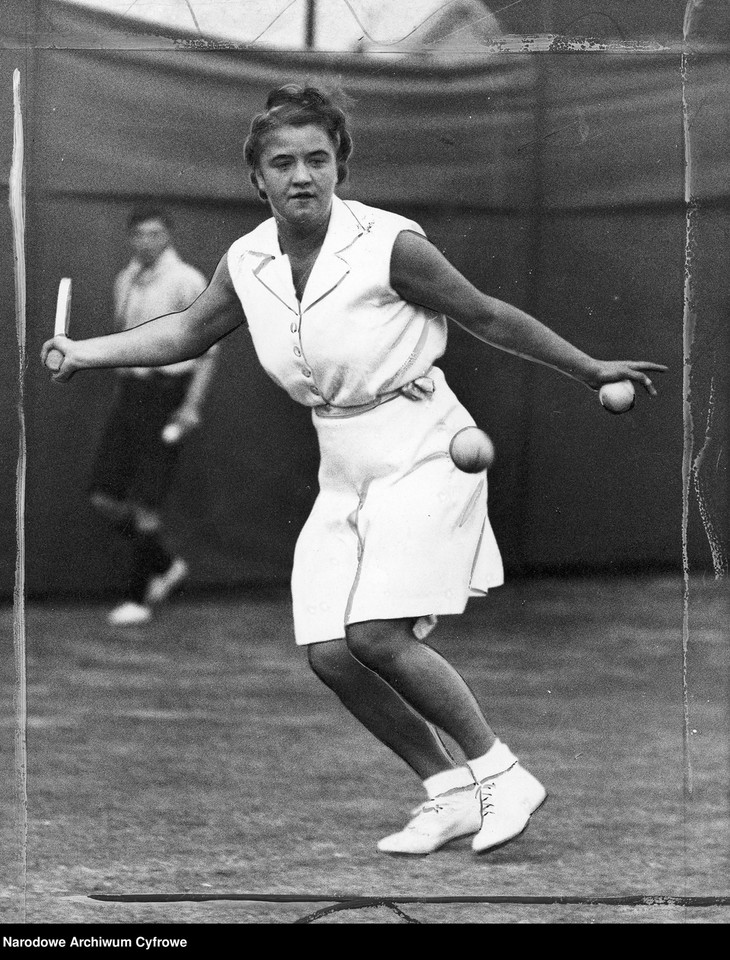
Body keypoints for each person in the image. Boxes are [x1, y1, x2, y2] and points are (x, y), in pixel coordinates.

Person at [42, 85, 667, 855]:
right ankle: (447, 792)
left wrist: (586, 366)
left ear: (339, 165)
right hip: (343, 459)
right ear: (257, 181)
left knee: (375, 633)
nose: (302, 175)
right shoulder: (248, 259)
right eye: (283, 163)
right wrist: (86, 352)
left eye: (318, 158)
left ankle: (501, 773)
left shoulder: (391, 245)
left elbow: (486, 315)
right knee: (332, 652)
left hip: (427, 444)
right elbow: (186, 332)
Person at [89, 203, 218, 627]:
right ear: (130, 238)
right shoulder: (125, 279)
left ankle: (138, 598)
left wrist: (190, 406)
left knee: (148, 499)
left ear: (168, 237)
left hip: (168, 395)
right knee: (105, 497)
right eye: (140, 234)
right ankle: (164, 564)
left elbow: (208, 351)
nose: (148, 241)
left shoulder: (187, 280)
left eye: (156, 233)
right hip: (130, 394)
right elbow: (125, 343)